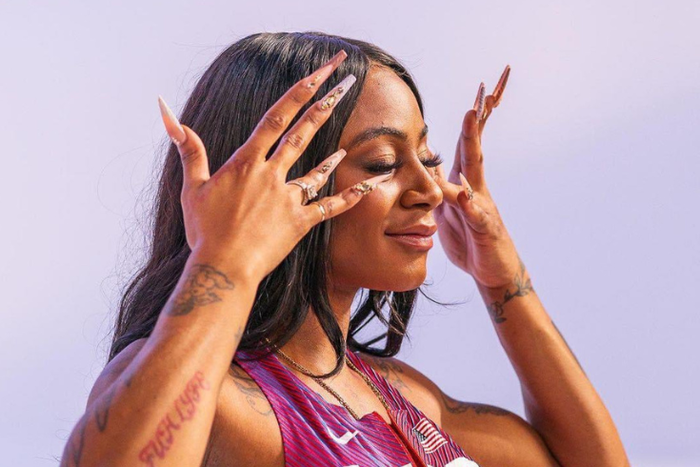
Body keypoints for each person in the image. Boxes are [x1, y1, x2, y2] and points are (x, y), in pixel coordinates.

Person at [59, 32, 630, 467]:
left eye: (427, 157)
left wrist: (503, 277)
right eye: (383, 162)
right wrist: (225, 259)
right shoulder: (230, 403)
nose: (431, 190)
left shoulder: (401, 394)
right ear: (272, 186)